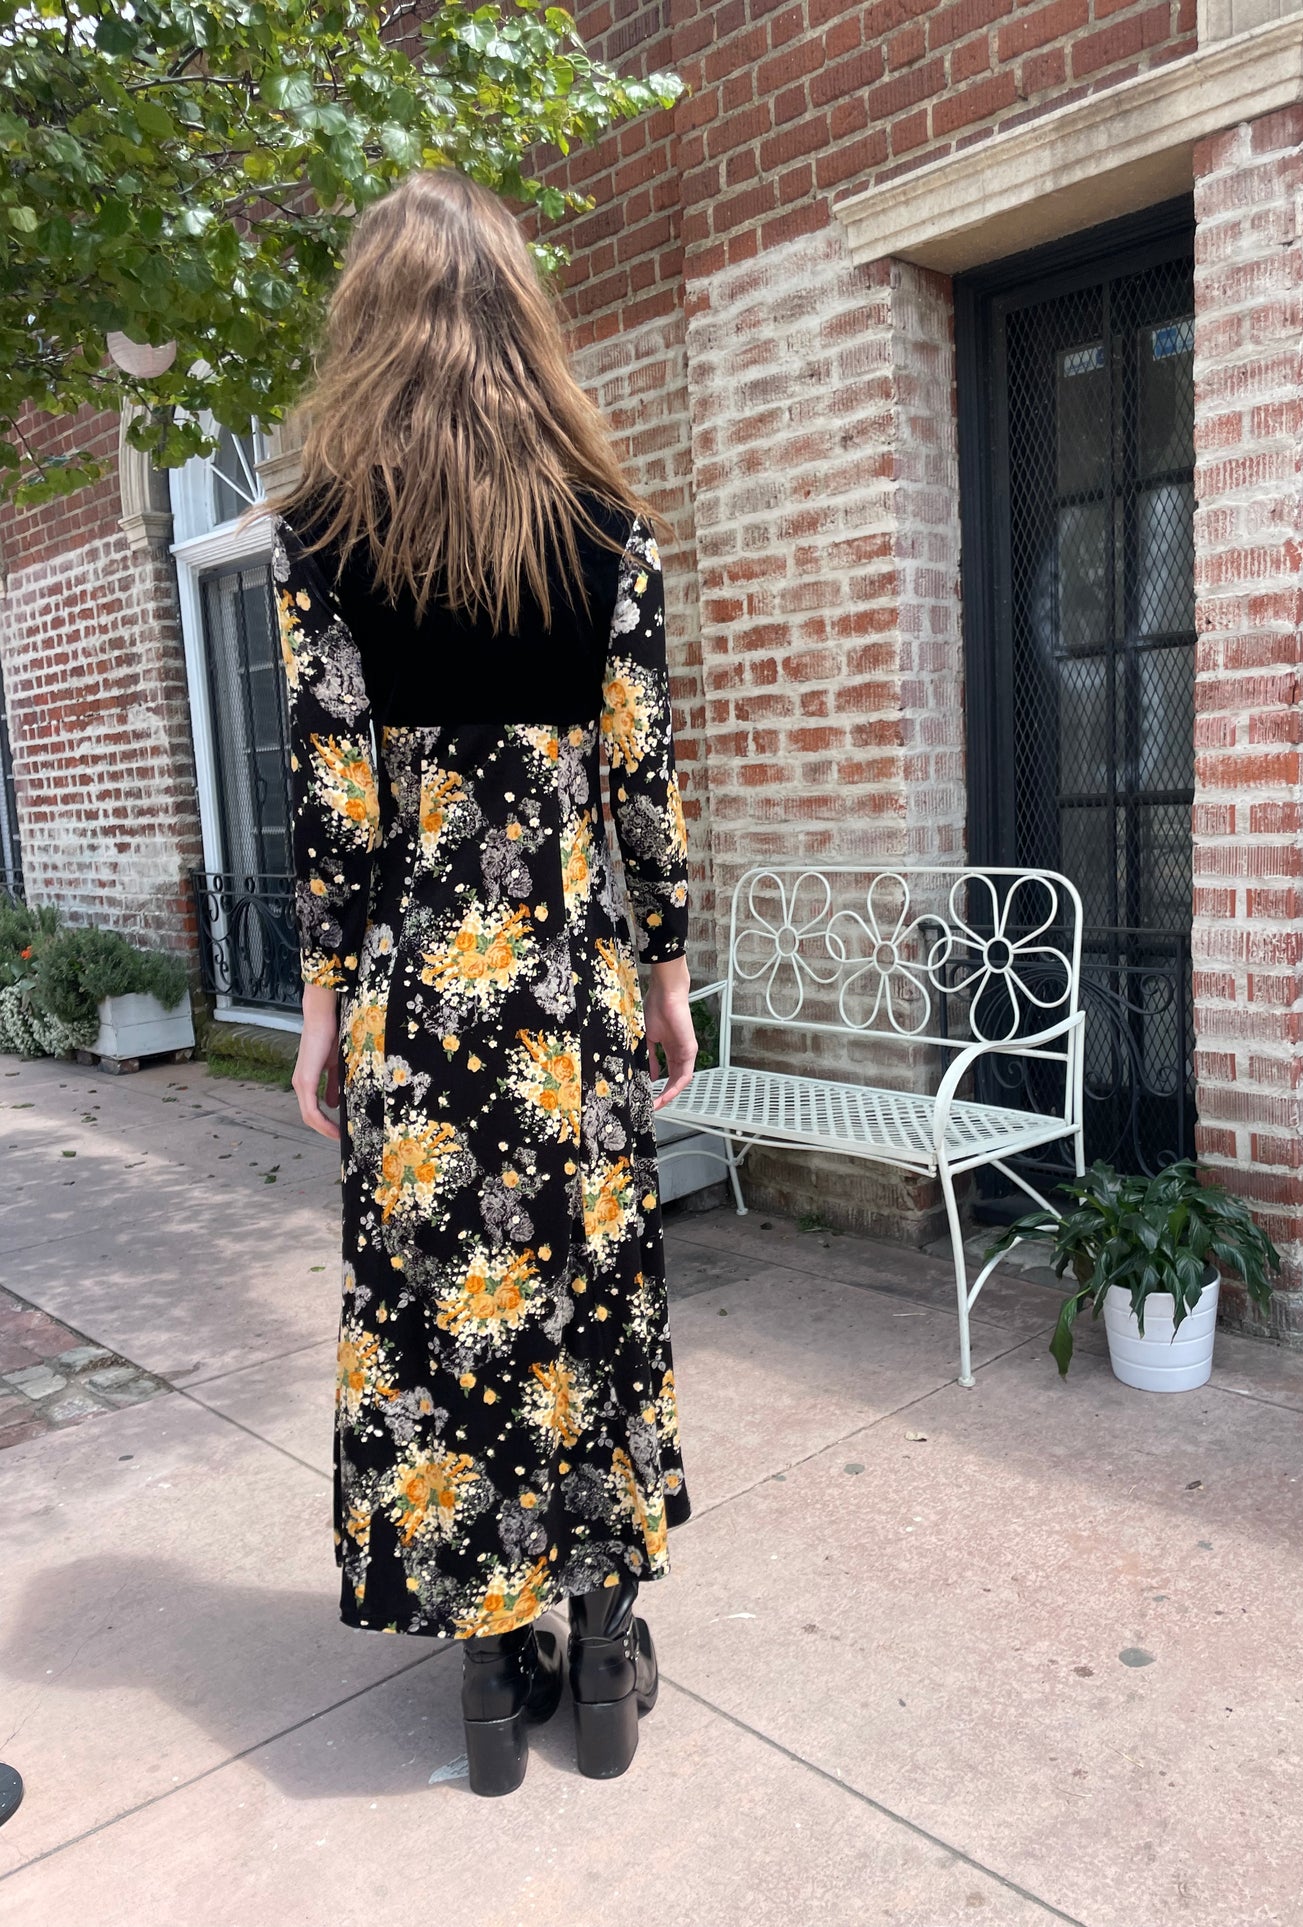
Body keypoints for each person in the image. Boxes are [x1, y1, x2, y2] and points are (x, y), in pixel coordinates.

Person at [270, 168, 695, 1794]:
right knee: (587, 1306)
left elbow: (331, 808)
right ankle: (601, 1657)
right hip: (569, 1004)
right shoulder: (606, 533)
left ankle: (484, 1689)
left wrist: (321, 1017)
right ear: (523, 315)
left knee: (446, 1314)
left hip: (419, 1012)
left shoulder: (323, 542)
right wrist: (666, 978)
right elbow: (642, 788)